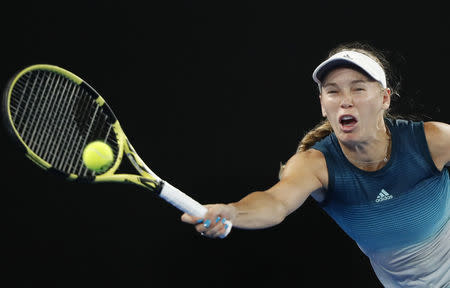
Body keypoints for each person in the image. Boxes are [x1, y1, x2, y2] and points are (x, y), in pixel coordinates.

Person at [181, 42, 450, 287]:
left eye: (358, 88)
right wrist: (232, 212)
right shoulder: (315, 166)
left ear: (384, 98)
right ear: (323, 104)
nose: (345, 100)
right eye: (332, 92)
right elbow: (275, 203)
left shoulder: (432, 140)